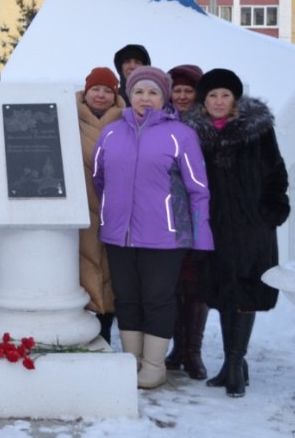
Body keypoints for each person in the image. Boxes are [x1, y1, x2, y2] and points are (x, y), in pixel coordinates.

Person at [92, 66, 213, 389]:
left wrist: (201, 239)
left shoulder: (181, 135)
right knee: (127, 299)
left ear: (164, 97)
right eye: (139, 92)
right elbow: (99, 179)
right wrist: (112, 214)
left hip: (166, 237)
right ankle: (132, 361)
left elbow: (198, 189)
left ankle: (154, 365)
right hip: (119, 235)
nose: (146, 98)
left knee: (158, 299)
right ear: (129, 96)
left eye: (153, 92)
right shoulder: (112, 133)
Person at [183, 68, 290, 398]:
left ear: (235, 100)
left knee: (245, 291)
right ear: (204, 101)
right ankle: (233, 364)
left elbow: (276, 171)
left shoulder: (257, 131)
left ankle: (234, 365)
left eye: (225, 95)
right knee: (223, 291)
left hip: (251, 227)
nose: (218, 101)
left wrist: (270, 210)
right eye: (212, 95)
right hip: (213, 227)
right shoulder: (194, 133)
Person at [163, 63, 209, 379]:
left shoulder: (206, 126)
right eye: (176, 90)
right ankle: (177, 348)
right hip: (168, 215)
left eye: (187, 91)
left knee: (196, 284)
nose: (181, 96)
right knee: (173, 283)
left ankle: (193, 351)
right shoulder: (161, 122)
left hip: (199, 213)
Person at [75, 67, 125, 345]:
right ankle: (80, 324)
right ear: (86, 92)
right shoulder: (68, 118)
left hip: (114, 208)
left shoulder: (126, 122)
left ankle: (105, 325)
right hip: (80, 208)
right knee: (81, 266)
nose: (101, 95)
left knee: (110, 269)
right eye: (96, 89)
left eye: (108, 90)